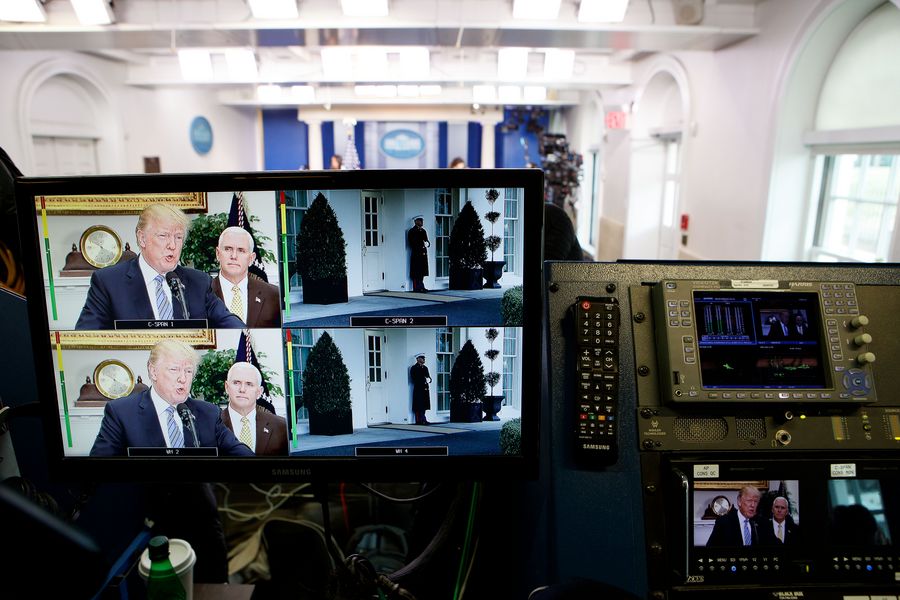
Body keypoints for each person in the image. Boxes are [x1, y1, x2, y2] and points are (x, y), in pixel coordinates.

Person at [75, 204, 244, 330]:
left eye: (178, 237)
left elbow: (231, 324)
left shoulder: (199, 282)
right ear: (142, 239)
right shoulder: (108, 282)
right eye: (163, 236)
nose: (173, 245)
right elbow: (86, 335)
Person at [90, 339, 254, 456]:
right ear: (153, 371)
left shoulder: (209, 413)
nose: (183, 378)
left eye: (188, 371)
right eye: (174, 370)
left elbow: (240, 453)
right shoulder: (121, 413)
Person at [211, 226, 280, 328]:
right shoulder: (202, 293)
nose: (234, 256)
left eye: (241, 250)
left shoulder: (273, 295)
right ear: (218, 254)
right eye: (228, 249)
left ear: (251, 258)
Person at [220, 362, 288, 456]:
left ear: (259, 392)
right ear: (226, 387)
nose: (242, 389)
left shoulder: (281, 426)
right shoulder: (211, 425)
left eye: (249, 384)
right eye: (236, 383)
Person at [407, 215, 430, 292]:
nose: (422, 222)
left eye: (422, 220)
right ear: (416, 221)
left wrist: (427, 243)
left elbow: (426, 240)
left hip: (423, 253)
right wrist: (421, 244)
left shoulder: (423, 231)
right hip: (417, 254)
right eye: (420, 221)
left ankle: (421, 286)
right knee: (416, 271)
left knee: (422, 271)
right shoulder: (412, 231)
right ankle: (417, 287)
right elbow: (412, 243)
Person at [409, 353, 432, 425]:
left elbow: (428, 376)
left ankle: (423, 419)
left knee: (424, 404)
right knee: (419, 404)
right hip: (418, 389)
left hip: (425, 389)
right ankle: (420, 420)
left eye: (424, 358)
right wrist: (423, 380)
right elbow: (414, 379)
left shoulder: (425, 368)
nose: (424, 359)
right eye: (422, 358)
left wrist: (429, 379)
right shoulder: (414, 368)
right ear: (418, 359)